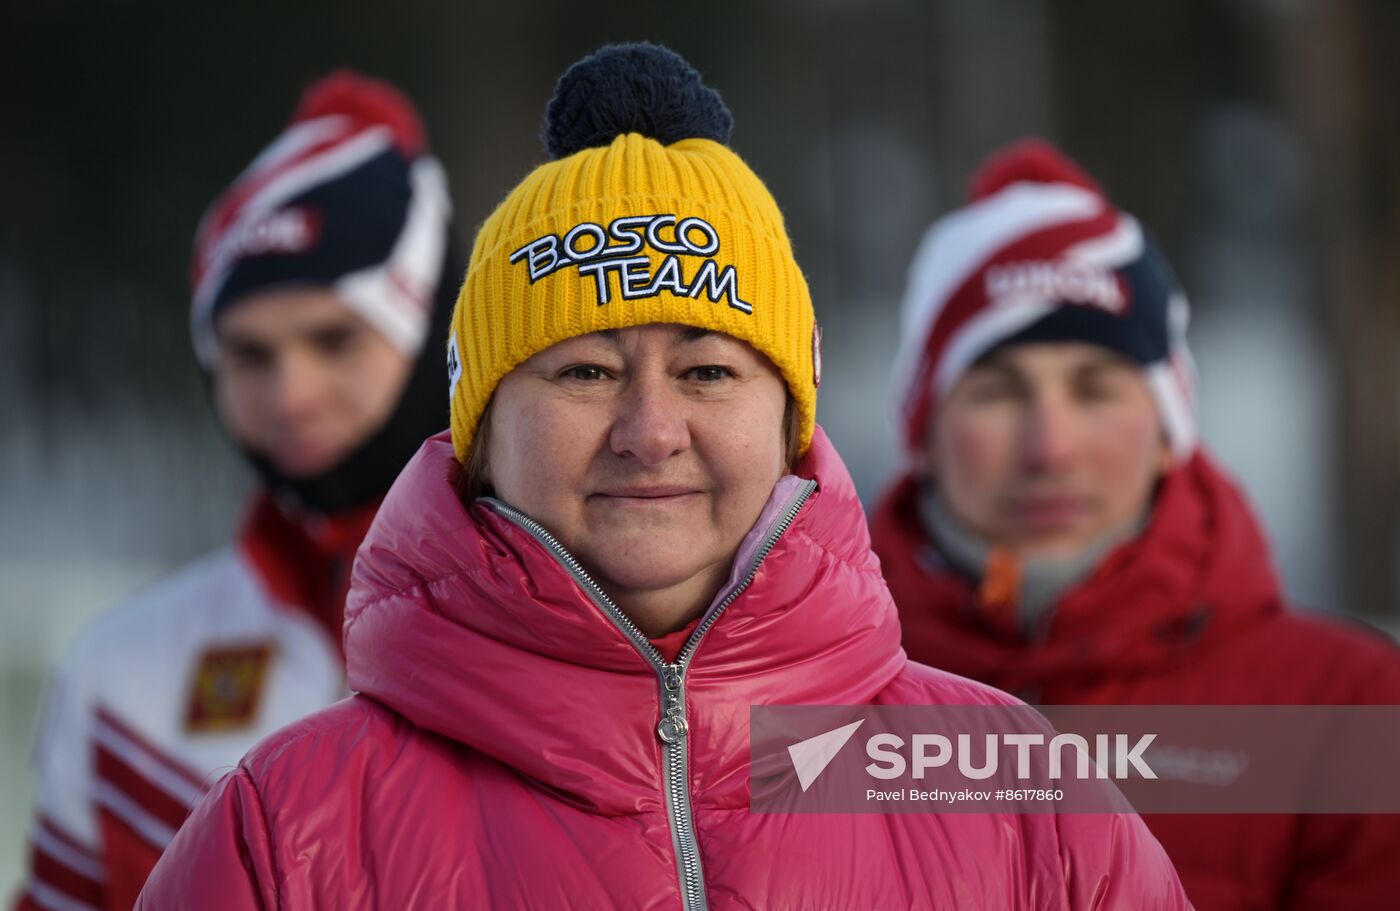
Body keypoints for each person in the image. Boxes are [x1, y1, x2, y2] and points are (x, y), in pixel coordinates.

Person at [135, 45, 1190, 910]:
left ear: (789, 419)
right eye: (585, 370)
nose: (649, 430)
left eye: (707, 370)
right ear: (479, 429)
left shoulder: (1023, 800)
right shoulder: (284, 831)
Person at [871, 138, 1400, 910]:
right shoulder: (802, 706)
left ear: (1167, 427)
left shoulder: (1345, 707)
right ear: (924, 424)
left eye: (1095, 388)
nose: (1049, 446)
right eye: (999, 389)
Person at [15, 72, 458, 911]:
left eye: (335, 339)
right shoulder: (116, 674)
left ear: (435, 330)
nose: (290, 393)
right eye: (250, 355)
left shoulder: (628, 616)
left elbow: (786, 842)